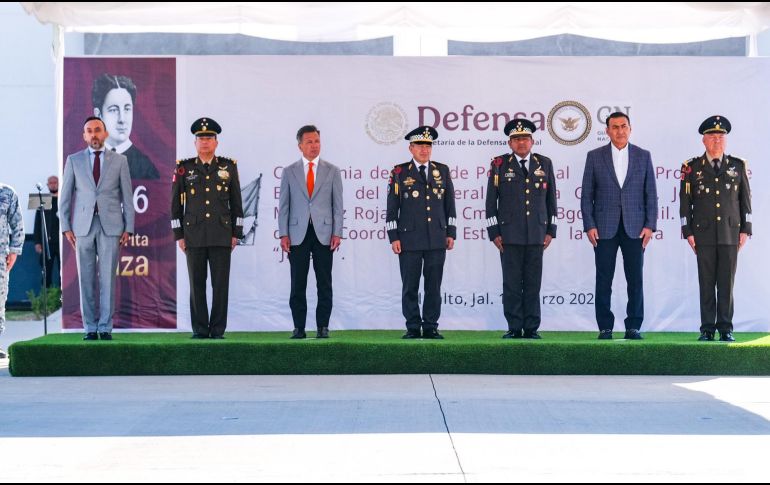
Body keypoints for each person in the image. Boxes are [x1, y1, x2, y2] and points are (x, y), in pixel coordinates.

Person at [580, 112, 658, 340]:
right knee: (604, 279)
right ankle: (605, 326)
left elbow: (650, 194)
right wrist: (589, 225)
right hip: (603, 227)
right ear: (607, 131)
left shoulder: (643, 156)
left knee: (635, 279)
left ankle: (634, 325)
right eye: (615, 127)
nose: (620, 131)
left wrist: (650, 225)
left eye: (624, 126)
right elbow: (587, 196)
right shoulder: (594, 156)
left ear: (630, 129)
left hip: (636, 228)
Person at [59, 116, 135, 341]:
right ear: (84, 136)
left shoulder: (120, 161)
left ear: (105, 133)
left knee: (108, 280)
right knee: (86, 279)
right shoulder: (73, 161)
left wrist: (128, 227)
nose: (94, 134)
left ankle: (105, 327)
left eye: (97, 130)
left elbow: (128, 198)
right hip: (82, 227)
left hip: (111, 226)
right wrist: (66, 227)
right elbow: (65, 198)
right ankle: (90, 328)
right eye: (89, 131)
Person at [679, 115, 751, 342]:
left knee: (726, 283)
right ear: (704, 141)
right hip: (703, 234)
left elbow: (745, 200)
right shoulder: (691, 168)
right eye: (712, 137)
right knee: (707, 282)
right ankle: (707, 328)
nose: (717, 141)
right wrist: (688, 232)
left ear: (726, 140)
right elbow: (684, 203)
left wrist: (746, 229)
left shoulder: (737, 166)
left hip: (731, 232)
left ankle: (726, 328)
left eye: (721, 137)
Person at [171, 118, 244, 339]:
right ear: (195, 142)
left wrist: (236, 234)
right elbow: (175, 206)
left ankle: (218, 329)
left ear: (216, 142)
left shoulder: (228, 167)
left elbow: (237, 203)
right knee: (197, 285)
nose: (205, 142)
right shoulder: (184, 168)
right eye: (201, 138)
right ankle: (200, 329)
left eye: (209, 138)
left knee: (220, 286)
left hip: (222, 235)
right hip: (193, 236)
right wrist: (178, 235)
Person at [486, 119, 557, 339]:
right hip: (509, 236)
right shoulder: (499, 165)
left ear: (532, 141)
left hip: (536, 234)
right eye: (516, 139)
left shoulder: (544, 164)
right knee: (512, 284)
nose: (521, 143)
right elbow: (491, 202)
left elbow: (551, 200)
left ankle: (532, 327)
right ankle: (515, 327)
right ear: (510, 143)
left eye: (525, 138)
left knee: (533, 283)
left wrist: (550, 230)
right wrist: (494, 232)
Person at [385, 126, 457, 339]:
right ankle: (413, 326)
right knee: (410, 286)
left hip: (436, 237)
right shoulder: (399, 172)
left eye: (428, 145)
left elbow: (449, 205)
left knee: (433, 286)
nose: (424, 150)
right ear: (411, 148)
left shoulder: (442, 171)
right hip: (409, 238)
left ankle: (431, 325)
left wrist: (450, 232)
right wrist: (394, 237)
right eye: (420, 146)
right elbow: (392, 208)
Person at [278, 125, 344, 339]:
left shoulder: (332, 170)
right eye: (309, 142)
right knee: (298, 282)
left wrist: (337, 232)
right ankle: (299, 327)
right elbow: (284, 205)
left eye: (317, 141)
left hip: (324, 234)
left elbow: (337, 205)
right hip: (297, 234)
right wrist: (283, 234)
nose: (314, 145)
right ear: (300, 146)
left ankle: (323, 326)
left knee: (324, 282)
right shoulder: (289, 172)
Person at [92, 73, 160, 180]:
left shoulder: (145, 167)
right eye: (114, 110)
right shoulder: (85, 162)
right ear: (98, 115)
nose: (122, 119)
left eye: (127, 109)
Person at [0, 183, 24, 359]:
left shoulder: (7, 193)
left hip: (1, 256)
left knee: (0, 299)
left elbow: (17, 223)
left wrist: (15, 250)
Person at [33, 175, 60, 288]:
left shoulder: (64, 198)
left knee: (63, 272)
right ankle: (47, 300)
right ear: (47, 185)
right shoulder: (43, 200)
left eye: (55, 182)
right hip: (46, 243)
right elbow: (38, 222)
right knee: (46, 273)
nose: (53, 184)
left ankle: (63, 300)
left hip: (62, 243)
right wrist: (37, 242)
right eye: (51, 182)